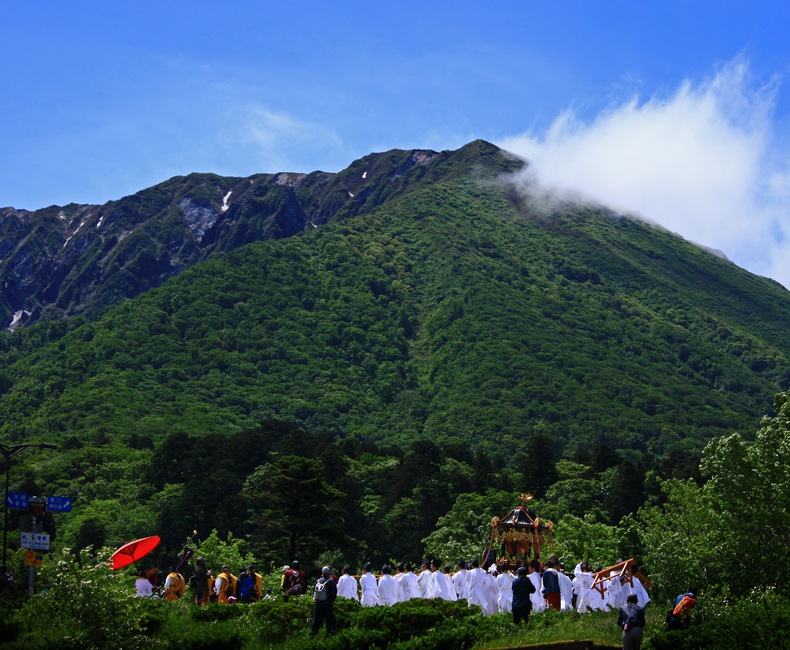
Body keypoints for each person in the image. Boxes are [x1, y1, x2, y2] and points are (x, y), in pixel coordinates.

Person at [310, 566, 337, 637]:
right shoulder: (330, 582)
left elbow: (314, 592)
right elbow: (333, 594)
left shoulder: (317, 581)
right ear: (329, 574)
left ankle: (313, 633)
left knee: (316, 619)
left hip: (318, 603)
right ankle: (330, 633)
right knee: (330, 619)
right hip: (327, 603)